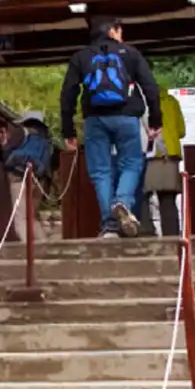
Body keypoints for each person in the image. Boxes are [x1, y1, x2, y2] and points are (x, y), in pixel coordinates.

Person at [60, 16, 162, 238]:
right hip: (126, 118)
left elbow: (68, 94)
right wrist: (156, 120)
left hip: (95, 120)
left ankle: (110, 226)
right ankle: (123, 201)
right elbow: (150, 87)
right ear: (114, 31)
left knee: (100, 172)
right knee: (132, 163)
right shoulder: (130, 53)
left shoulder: (81, 57)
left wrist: (68, 130)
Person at [134, 81, 185, 237]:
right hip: (169, 156)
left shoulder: (138, 102)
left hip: (147, 154)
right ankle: (172, 236)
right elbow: (181, 131)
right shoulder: (171, 101)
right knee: (168, 200)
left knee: (142, 197)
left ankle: (146, 232)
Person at [3, 112, 54, 243]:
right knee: (31, 217)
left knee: (20, 218)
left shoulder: (21, 132)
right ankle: (44, 244)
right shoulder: (46, 139)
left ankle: (26, 249)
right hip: (38, 180)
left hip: (18, 178)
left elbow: (7, 154)